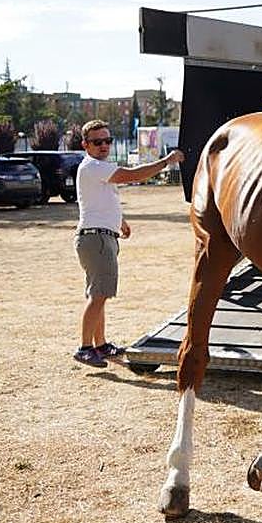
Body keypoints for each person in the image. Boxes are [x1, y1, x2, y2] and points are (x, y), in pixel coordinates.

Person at [71, 119, 184, 368]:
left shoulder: (97, 167)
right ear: (85, 145)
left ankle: (100, 345)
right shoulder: (92, 167)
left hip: (101, 236)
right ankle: (85, 348)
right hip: (96, 238)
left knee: (100, 294)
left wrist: (121, 221)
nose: (104, 145)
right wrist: (166, 162)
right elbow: (132, 175)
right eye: (97, 142)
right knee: (98, 295)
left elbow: (101, 202)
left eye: (107, 140)